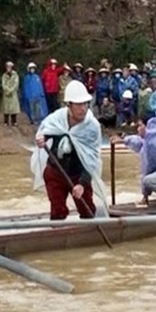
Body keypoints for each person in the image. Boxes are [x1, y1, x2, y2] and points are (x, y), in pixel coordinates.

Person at [30, 80, 108, 220]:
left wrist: (82, 184)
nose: (83, 108)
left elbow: (92, 158)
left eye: (85, 104)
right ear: (69, 105)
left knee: (87, 211)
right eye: (78, 105)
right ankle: (57, 234)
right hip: (55, 171)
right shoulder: (57, 118)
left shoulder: (92, 126)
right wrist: (42, 138)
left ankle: (88, 234)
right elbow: (45, 131)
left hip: (78, 174)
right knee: (57, 212)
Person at [1, 61, 21, 127]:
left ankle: (14, 121)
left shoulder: (15, 75)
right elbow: (3, 84)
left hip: (13, 94)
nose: (8, 68)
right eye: (7, 67)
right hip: (6, 94)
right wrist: (7, 90)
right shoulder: (4, 75)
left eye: (10, 67)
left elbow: (16, 84)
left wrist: (11, 90)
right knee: (6, 108)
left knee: (13, 108)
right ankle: (6, 122)